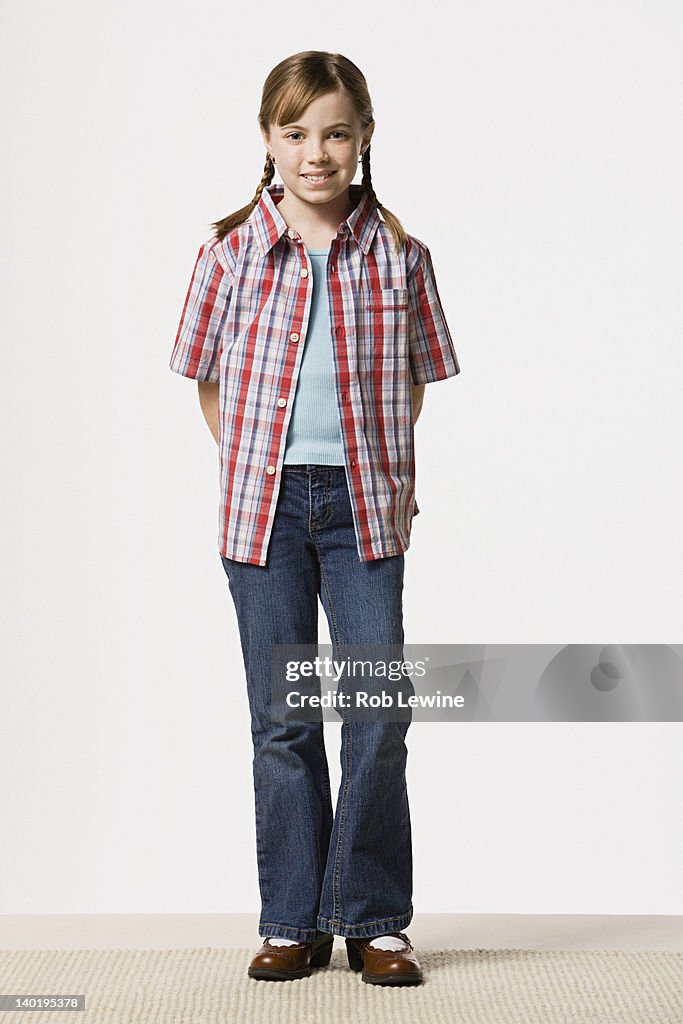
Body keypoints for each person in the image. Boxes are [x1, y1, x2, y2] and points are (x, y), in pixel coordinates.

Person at [169, 50, 460, 985]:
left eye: (335, 132)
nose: (316, 153)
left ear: (365, 138)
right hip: (264, 514)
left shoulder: (402, 259)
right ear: (267, 141)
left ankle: (372, 919)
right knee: (284, 721)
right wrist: (257, 469)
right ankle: (292, 918)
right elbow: (208, 382)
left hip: (364, 512)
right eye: (295, 134)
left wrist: (382, 471)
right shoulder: (229, 253)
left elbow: (414, 383)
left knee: (376, 710)